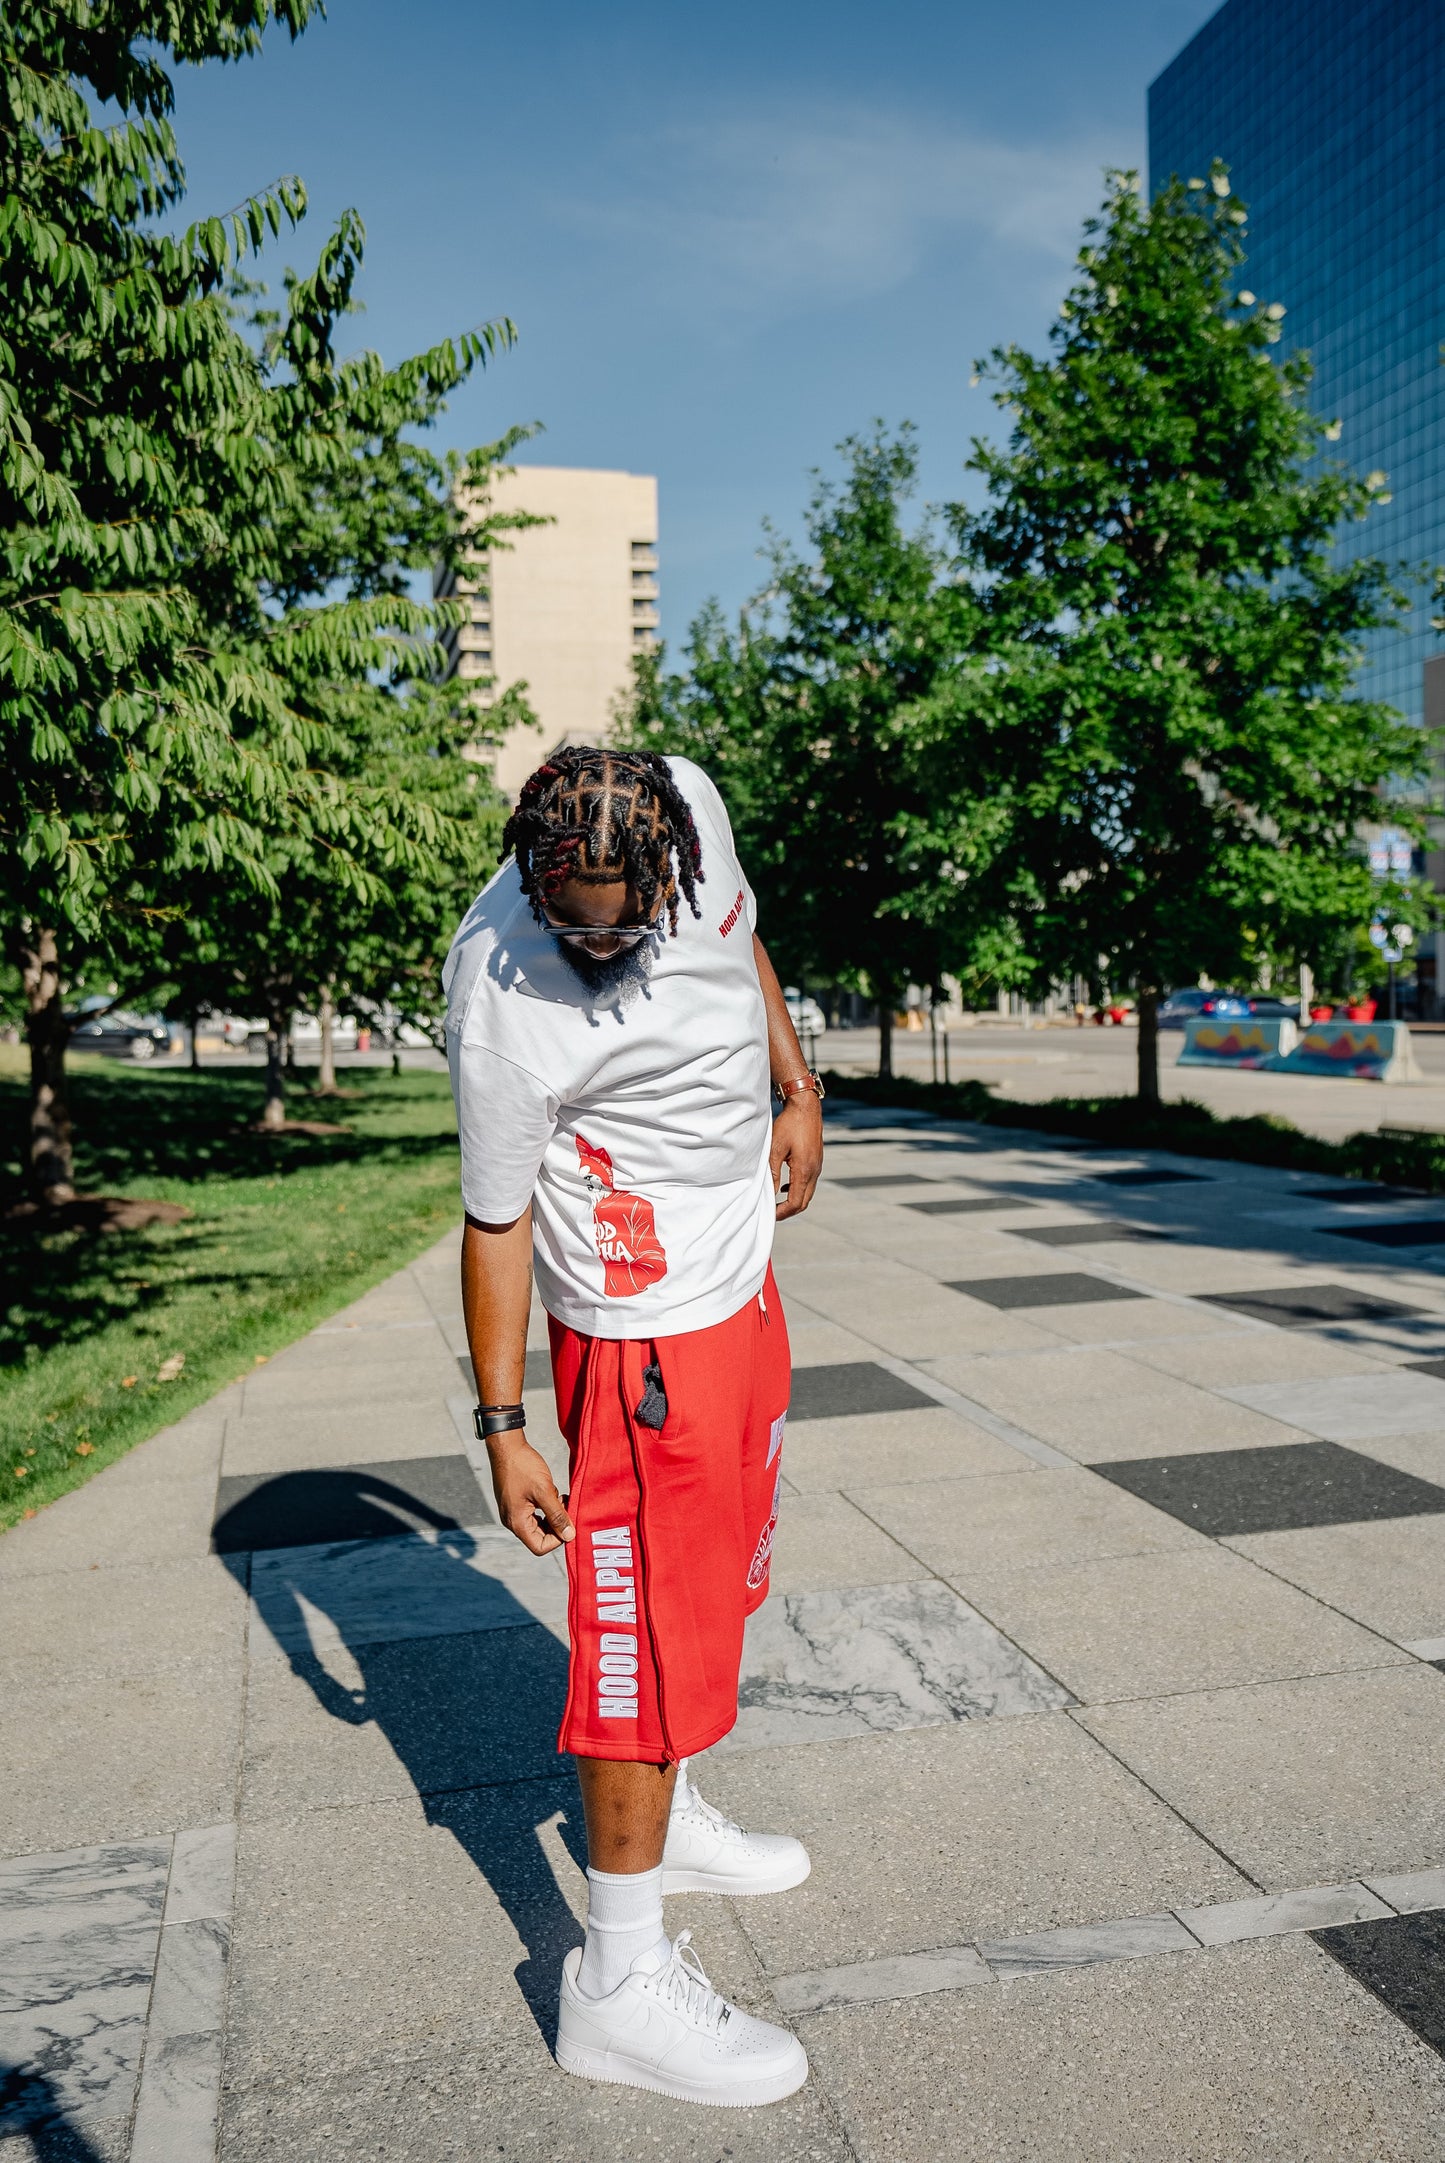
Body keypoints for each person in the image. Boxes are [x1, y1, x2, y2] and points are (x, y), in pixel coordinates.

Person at [444, 745, 826, 2108]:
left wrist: (795, 1083)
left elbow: (749, 946)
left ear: (669, 862)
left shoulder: (697, 809)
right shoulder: (497, 993)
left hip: (738, 1282)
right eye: (569, 912)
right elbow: (493, 1225)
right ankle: (615, 1977)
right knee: (640, 1641)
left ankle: (674, 1820)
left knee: (722, 1576)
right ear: (530, 872)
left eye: (623, 909)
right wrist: (501, 1426)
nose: (595, 940)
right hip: (636, 1330)